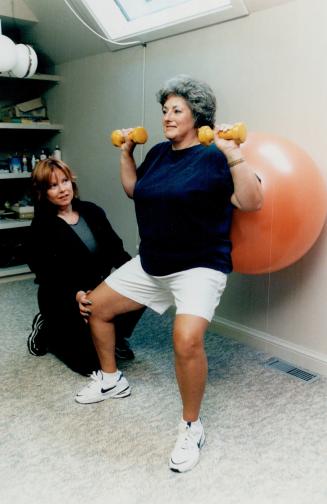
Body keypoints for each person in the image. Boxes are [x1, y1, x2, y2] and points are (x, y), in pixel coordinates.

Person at [75, 75, 263, 472]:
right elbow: (135, 190)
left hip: (199, 265)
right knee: (95, 306)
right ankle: (111, 379)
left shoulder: (215, 154)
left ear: (198, 115)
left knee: (186, 340)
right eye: (164, 110)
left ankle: (191, 425)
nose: (167, 116)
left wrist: (233, 154)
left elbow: (251, 201)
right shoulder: (159, 154)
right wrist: (126, 153)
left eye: (177, 110)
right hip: (152, 263)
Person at [26, 158, 145, 375]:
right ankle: (47, 330)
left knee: (143, 287)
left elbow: (116, 250)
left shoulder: (92, 211)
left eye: (65, 181)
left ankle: (115, 337)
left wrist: (139, 274)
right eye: (53, 186)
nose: (62, 189)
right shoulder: (42, 226)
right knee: (90, 366)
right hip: (63, 296)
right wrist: (76, 295)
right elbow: (46, 274)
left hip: (97, 289)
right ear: (44, 192)